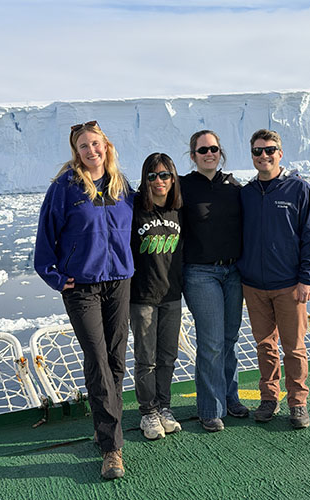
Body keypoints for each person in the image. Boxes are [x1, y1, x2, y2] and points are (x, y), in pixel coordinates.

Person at [34, 121, 134, 480]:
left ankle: (104, 426)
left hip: (119, 283)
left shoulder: (122, 186)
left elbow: (143, 222)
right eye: (83, 146)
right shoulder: (65, 188)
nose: (91, 151)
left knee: (116, 359)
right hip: (82, 288)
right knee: (97, 359)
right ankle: (111, 448)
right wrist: (58, 279)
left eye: (96, 144)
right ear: (76, 153)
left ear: (106, 146)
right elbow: (45, 240)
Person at [237, 129, 310, 429]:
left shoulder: (299, 190)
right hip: (254, 285)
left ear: (280, 153)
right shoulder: (246, 194)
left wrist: (307, 278)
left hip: (289, 284)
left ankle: (298, 403)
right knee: (264, 345)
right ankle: (269, 398)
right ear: (252, 156)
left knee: (294, 347)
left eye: (270, 150)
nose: (264, 156)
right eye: (258, 151)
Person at [180, 130, 249, 433]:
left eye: (214, 149)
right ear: (193, 155)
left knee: (229, 339)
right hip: (200, 273)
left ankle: (229, 396)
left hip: (233, 272)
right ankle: (210, 408)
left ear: (221, 153)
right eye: (203, 149)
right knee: (210, 342)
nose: (209, 154)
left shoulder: (234, 187)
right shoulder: (182, 187)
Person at [130, 152, 183, 440]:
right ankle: (148, 412)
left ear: (172, 178)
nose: (159, 181)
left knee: (167, 357)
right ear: (145, 179)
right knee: (145, 358)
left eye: (164, 175)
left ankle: (164, 407)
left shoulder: (178, 210)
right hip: (142, 296)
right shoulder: (136, 207)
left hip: (172, 294)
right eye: (152, 176)